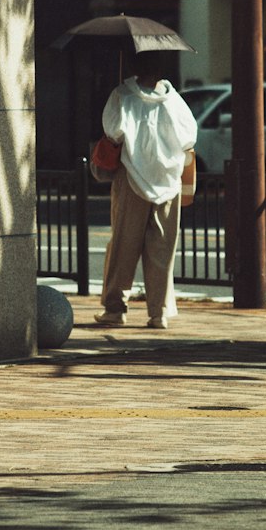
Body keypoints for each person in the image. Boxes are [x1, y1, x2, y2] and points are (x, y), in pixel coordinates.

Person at [95, 49, 198, 330]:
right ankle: (158, 313)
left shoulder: (122, 95)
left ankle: (115, 309)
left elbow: (113, 132)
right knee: (162, 248)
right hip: (169, 180)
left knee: (123, 246)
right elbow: (189, 136)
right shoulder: (174, 100)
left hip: (131, 178)